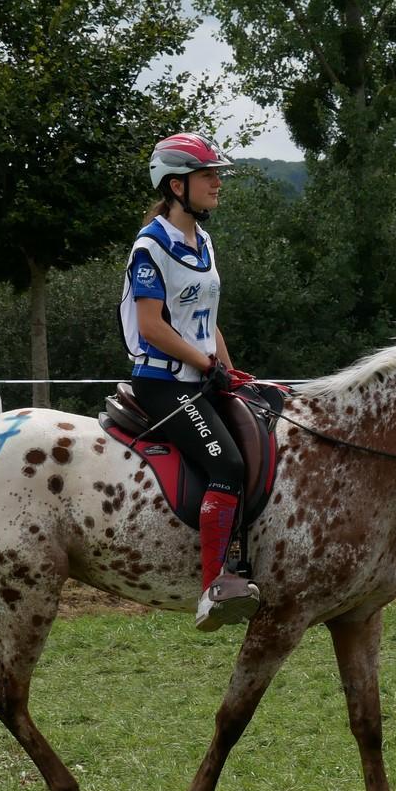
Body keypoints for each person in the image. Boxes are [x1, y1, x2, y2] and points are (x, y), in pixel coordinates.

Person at [119, 133, 260, 631]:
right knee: (228, 464)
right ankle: (213, 588)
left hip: (200, 376)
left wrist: (229, 368)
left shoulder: (204, 242)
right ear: (176, 185)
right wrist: (205, 364)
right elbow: (154, 326)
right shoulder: (150, 246)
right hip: (163, 384)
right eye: (209, 175)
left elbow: (207, 319)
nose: (218, 183)